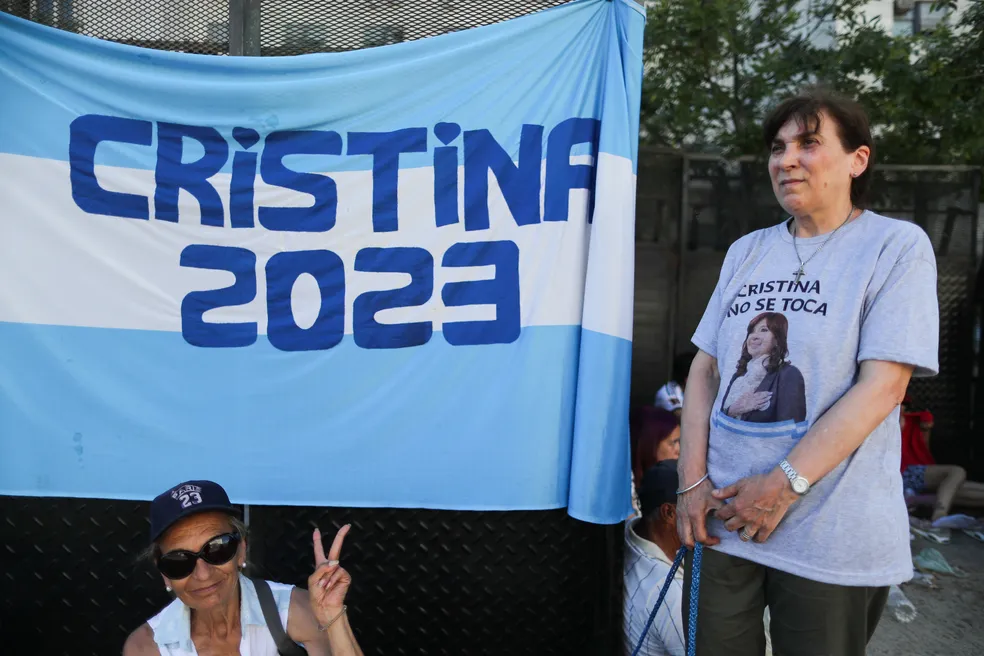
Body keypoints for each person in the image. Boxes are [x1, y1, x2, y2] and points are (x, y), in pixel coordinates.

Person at [676, 87, 939, 656]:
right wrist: (691, 484)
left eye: (809, 143)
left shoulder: (895, 247)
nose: (786, 159)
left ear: (857, 159)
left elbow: (884, 386)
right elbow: (705, 369)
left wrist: (781, 486)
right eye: (778, 147)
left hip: (830, 530)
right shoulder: (748, 251)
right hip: (720, 520)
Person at [123, 480, 364, 656]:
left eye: (217, 549)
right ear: (164, 575)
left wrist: (333, 618)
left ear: (241, 550)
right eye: (179, 561)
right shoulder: (146, 648)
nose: (203, 574)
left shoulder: (294, 611)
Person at [623, 461, 774, 656]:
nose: (715, 521)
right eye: (706, 511)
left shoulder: (631, 533)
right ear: (669, 513)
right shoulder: (671, 595)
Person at [900, 395, 984, 533]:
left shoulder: (912, 422)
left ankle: (918, 501)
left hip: (916, 473)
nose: (901, 407)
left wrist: (926, 430)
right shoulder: (885, 422)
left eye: (904, 405)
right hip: (903, 473)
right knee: (957, 471)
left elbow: (923, 449)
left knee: (961, 490)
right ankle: (939, 516)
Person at [721, 312, 806, 424]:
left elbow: (790, 428)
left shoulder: (789, 374)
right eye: (751, 331)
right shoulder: (739, 376)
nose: (754, 336)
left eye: (764, 330)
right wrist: (732, 411)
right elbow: (719, 418)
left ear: (777, 339)